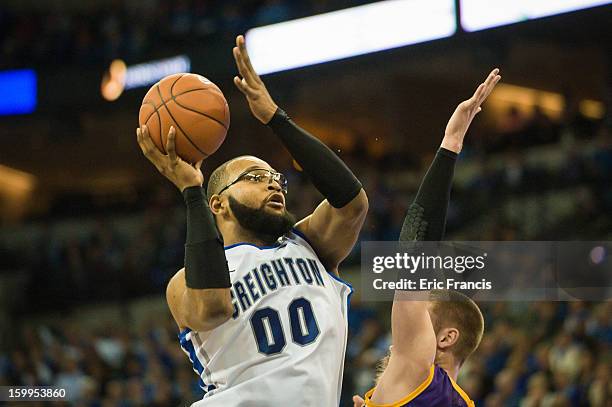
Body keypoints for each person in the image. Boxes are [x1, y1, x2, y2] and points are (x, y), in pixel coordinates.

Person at [137, 35, 368, 406]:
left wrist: (277, 118)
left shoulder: (308, 245)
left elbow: (351, 202)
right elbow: (212, 307)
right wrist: (190, 191)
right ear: (219, 203)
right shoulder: (183, 283)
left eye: (277, 179)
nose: (274, 185)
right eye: (256, 178)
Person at [354, 69, 501, 407]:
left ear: (446, 338)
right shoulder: (462, 402)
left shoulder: (420, 370)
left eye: (422, 316)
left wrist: (450, 144)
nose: (398, 336)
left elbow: (414, 250)